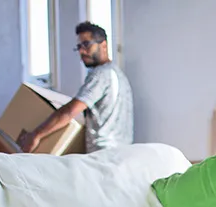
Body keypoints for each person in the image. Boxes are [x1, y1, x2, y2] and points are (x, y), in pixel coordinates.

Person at [18, 21, 133, 154]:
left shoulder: (101, 74)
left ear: (104, 45)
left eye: (86, 44)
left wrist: (36, 135)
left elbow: (70, 111)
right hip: (121, 153)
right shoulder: (117, 74)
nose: (82, 51)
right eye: (79, 46)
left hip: (104, 154)